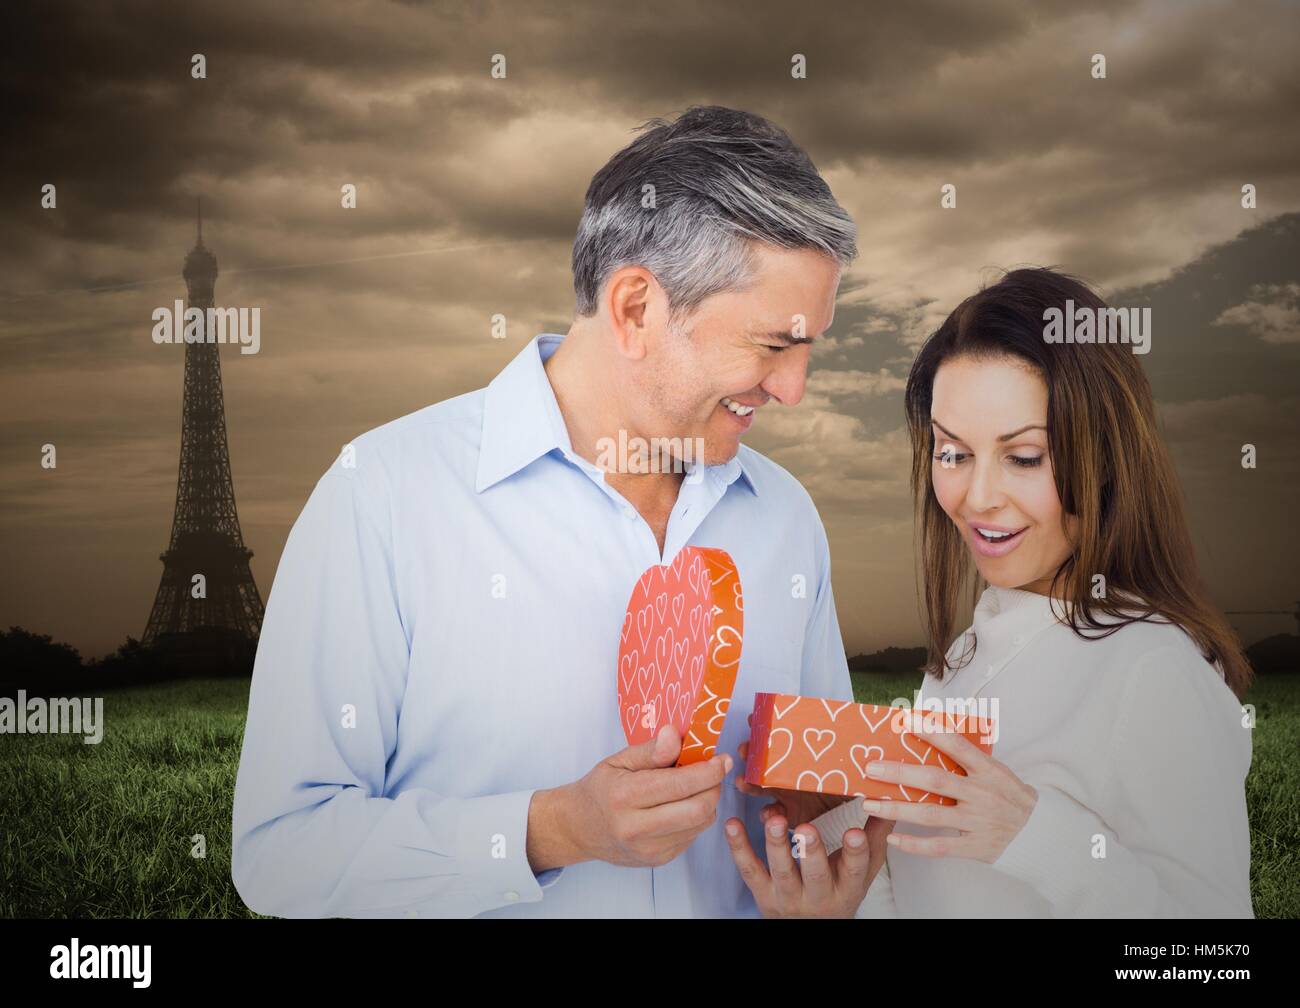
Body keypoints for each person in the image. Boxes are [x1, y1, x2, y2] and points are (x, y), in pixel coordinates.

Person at [231, 105, 883, 917]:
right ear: (637, 308)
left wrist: (841, 852)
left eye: (812, 346)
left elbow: (825, 807)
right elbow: (279, 851)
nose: (794, 389)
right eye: (773, 346)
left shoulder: (785, 517)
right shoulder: (384, 497)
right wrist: (549, 831)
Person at [726, 267, 1255, 918]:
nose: (978, 499)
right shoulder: (966, 659)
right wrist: (841, 841)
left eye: (1025, 457)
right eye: (953, 453)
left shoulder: (1154, 669)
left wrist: (1033, 834)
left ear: (1108, 458)